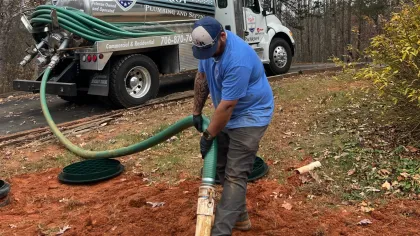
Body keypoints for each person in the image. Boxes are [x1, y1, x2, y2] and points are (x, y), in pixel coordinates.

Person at [190, 16, 274, 235]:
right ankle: (241, 218)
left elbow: (227, 107)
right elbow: (202, 78)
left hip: (250, 115)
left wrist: (208, 136)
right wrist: (196, 112)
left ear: (223, 36)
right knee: (219, 167)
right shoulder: (207, 45)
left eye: (210, 51)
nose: (207, 57)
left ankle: (220, 231)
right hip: (226, 113)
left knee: (235, 175)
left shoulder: (238, 59)